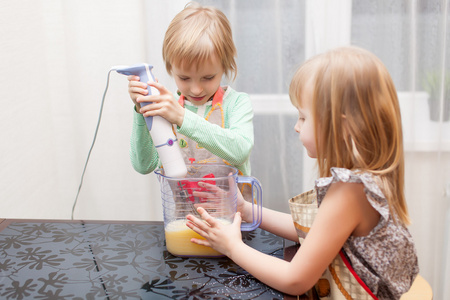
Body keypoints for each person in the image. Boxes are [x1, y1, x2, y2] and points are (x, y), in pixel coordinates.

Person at [186, 46, 419, 299]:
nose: (297, 127)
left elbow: (294, 279)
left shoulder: (351, 191)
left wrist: (232, 247)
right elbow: (314, 230)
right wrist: (247, 210)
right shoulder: (363, 180)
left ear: (341, 125)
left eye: (303, 118)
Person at [127, 2, 253, 178]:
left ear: (225, 66)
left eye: (208, 77)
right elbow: (144, 165)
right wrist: (142, 111)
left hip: (233, 206)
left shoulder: (237, 103)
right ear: (171, 69)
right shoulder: (166, 108)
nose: (196, 89)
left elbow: (240, 151)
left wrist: (181, 117)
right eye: (184, 78)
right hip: (182, 207)